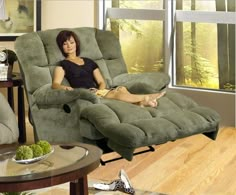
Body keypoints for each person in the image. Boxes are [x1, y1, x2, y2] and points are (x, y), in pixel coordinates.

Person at [52, 30, 165, 107]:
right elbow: (55, 84)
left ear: (76, 43)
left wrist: (100, 90)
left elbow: (101, 81)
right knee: (116, 94)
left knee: (122, 89)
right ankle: (146, 98)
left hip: (98, 91)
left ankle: (139, 104)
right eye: (65, 44)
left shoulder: (89, 61)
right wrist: (65, 88)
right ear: (61, 47)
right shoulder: (63, 64)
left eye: (71, 42)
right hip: (86, 94)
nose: (69, 46)